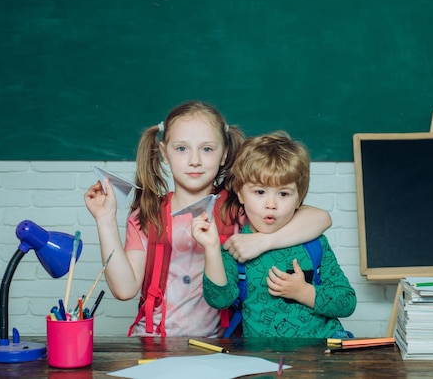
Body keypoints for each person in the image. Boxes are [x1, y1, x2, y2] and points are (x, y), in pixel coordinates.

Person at [84, 101, 332, 337]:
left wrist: (264, 241)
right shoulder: (148, 214)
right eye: (182, 148)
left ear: (224, 154)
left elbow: (321, 219)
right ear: (164, 153)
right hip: (153, 341)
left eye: (207, 149)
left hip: (219, 346)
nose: (195, 160)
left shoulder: (240, 208)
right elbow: (124, 289)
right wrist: (105, 219)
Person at [192, 131, 356, 338]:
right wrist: (211, 248)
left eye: (284, 194)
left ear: (299, 199)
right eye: (259, 192)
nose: (271, 204)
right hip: (264, 357)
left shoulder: (315, 244)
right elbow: (219, 300)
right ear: (241, 194)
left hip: (319, 356)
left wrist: (304, 292)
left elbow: (347, 302)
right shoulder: (237, 248)